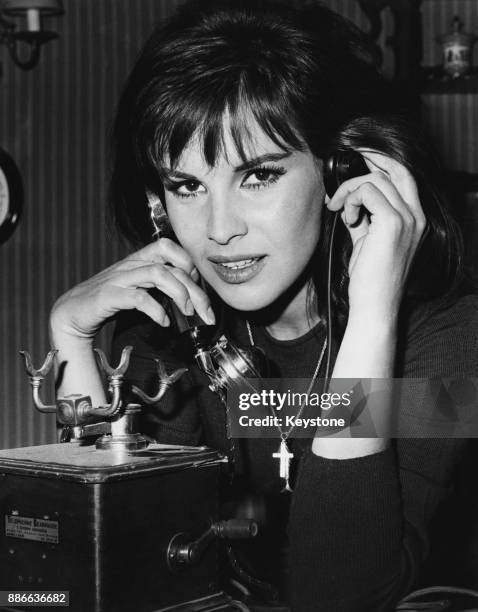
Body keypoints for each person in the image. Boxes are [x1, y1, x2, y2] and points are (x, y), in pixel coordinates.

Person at [49, 1, 478, 609]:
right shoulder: (164, 334)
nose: (219, 229)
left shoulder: (451, 341)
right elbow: (111, 565)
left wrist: (373, 314)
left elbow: (339, 595)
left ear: (341, 171)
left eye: (258, 176)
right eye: (187, 186)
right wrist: (69, 336)